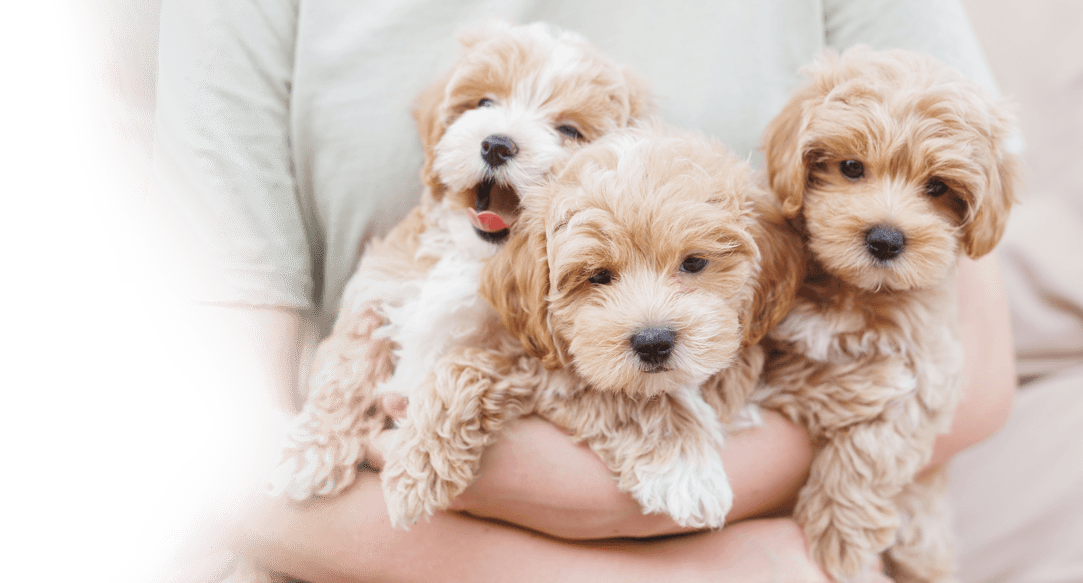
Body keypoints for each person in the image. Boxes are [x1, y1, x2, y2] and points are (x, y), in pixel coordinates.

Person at [110, 1, 1019, 581]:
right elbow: (201, 437)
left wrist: (709, 505)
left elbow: (971, 367)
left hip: (765, 534)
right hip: (377, 542)